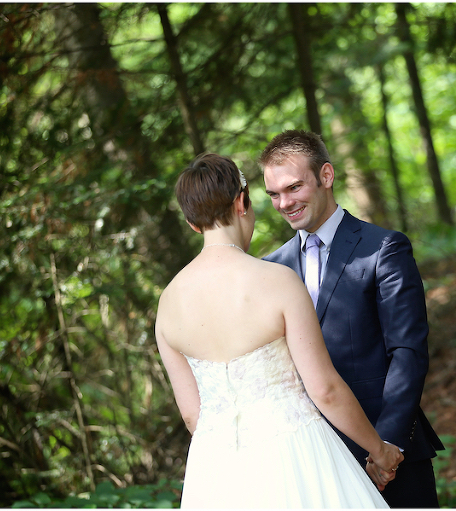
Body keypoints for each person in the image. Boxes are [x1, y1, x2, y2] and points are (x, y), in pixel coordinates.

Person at [155, 153, 403, 508]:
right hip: (297, 455)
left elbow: (193, 414)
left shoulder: (168, 304)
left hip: (217, 473)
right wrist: (379, 449)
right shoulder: (277, 281)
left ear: (193, 223)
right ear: (242, 202)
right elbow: (325, 389)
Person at [259, 130, 444, 508]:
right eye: (274, 194)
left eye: (294, 188)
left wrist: (386, 445)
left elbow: (407, 352)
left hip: (391, 451)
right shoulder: (270, 268)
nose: (284, 203)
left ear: (326, 176)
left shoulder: (383, 247)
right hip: (312, 460)